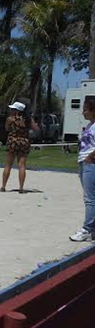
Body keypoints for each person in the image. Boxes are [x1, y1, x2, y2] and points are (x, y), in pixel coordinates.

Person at [70, 98, 95, 241]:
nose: (83, 112)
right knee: (91, 197)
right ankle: (92, 229)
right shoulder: (90, 125)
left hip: (90, 164)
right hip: (85, 162)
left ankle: (87, 229)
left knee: (90, 199)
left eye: (85, 110)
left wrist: (90, 157)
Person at [0, 101, 38, 193]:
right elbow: (36, 129)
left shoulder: (10, 119)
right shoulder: (28, 119)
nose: (11, 110)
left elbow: (7, 129)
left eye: (13, 109)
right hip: (24, 142)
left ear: (17, 111)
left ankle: (3, 186)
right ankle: (21, 188)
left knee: (8, 165)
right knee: (21, 166)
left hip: (13, 141)